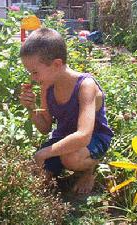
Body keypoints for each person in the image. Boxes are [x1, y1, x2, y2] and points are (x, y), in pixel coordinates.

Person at [19, 28, 113, 194]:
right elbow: (45, 128)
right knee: (38, 178)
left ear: (56, 64)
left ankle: (91, 168)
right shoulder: (47, 87)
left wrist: (43, 153)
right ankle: (61, 168)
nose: (32, 78)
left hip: (93, 139)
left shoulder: (85, 86)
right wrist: (31, 109)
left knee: (70, 158)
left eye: (35, 72)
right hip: (63, 139)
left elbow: (83, 136)